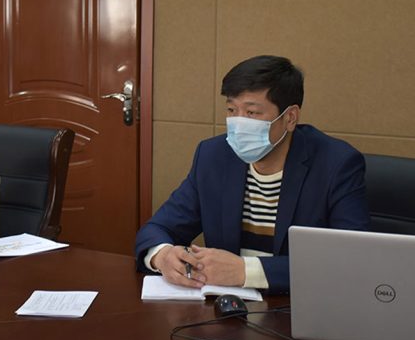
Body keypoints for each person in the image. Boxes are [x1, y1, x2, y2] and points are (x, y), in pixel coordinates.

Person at [135, 55, 369, 294]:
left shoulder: (336, 164)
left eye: (252, 112)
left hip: (297, 305)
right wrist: (162, 255)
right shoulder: (213, 157)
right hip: (226, 307)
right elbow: (157, 229)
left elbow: (352, 259)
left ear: (290, 118)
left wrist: (246, 271)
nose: (239, 123)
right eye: (231, 110)